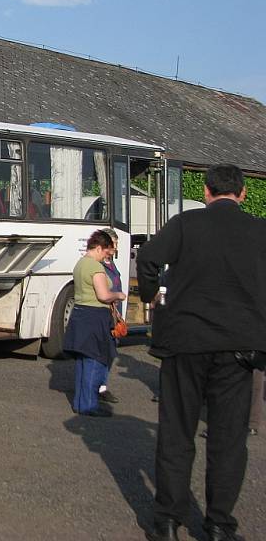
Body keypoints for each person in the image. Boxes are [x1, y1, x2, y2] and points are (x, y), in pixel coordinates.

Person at [138, 164, 266, 541]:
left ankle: (166, 522)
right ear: (242, 194)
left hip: (185, 339)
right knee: (228, 439)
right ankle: (219, 525)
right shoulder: (260, 230)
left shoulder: (186, 223)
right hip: (239, 343)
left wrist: (149, 295)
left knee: (177, 432)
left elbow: (147, 258)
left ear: (207, 193)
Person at [63, 230, 127, 417]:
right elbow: (103, 295)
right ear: (98, 248)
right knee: (95, 361)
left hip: (80, 314)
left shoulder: (80, 264)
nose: (106, 256)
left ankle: (80, 403)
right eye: (106, 252)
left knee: (83, 362)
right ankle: (89, 405)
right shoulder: (95, 267)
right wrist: (118, 295)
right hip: (95, 316)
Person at [98, 227, 123, 404]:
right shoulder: (98, 266)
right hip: (104, 313)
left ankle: (102, 385)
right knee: (103, 351)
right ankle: (99, 387)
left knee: (110, 351)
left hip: (114, 313)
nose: (116, 247)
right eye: (114, 243)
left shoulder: (111, 264)